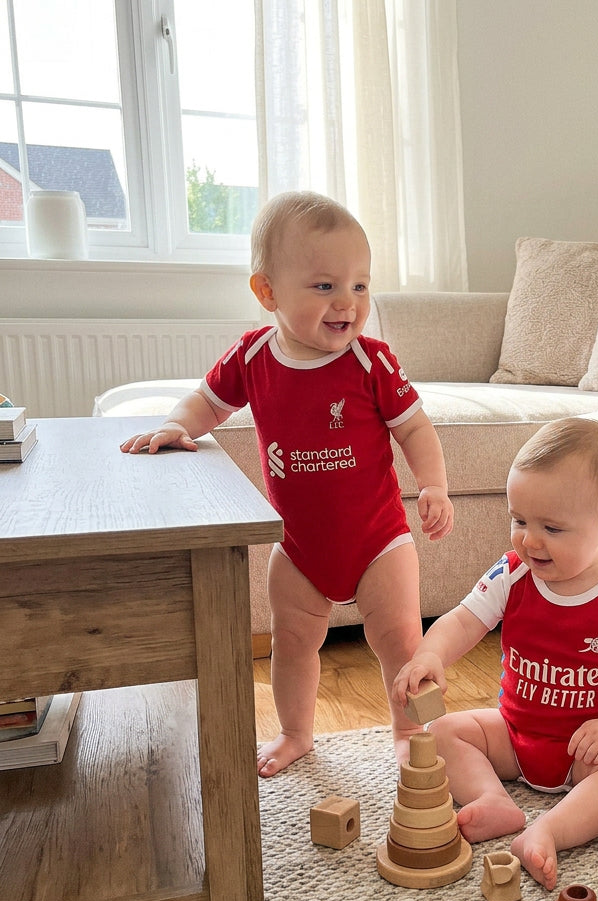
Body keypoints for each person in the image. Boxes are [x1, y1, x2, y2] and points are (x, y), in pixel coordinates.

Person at [122, 191, 454, 777]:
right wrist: (178, 425)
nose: (347, 302)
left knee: (401, 642)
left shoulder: (371, 362)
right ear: (267, 291)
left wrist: (434, 485)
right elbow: (208, 402)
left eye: (360, 285)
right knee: (292, 643)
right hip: (299, 548)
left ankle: (410, 730)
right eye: (325, 286)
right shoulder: (252, 357)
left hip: (379, 542)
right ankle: (296, 733)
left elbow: (415, 428)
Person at [394, 417, 598, 890]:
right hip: (513, 734)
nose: (529, 539)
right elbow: (463, 620)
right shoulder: (511, 573)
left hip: (586, 751)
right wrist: (430, 655)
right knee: (441, 732)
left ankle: (550, 830)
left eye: (552, 528)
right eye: (520, 520)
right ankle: (493, 800)